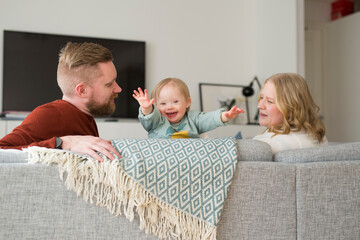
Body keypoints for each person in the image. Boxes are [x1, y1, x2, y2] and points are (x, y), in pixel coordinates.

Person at [0, 42, 122, 161]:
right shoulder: (49, 115)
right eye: (109, 84)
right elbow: (2, 151)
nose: (118, 89)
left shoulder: (85, 117)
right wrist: (63, 143)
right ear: (82, 90)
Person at [133, 77, 244, 138]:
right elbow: (149, 118)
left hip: (189, 159)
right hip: (161, 159)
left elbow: (208, 119)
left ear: (187, 102)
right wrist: (146, 108)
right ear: (156, 106)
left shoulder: (193, 118)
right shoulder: (157, 120)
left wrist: (223, 116)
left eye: (175, 101)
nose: (169, 107)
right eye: (163, 104)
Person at [253, 73, 328, 154]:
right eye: (261, 98)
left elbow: (241, 152)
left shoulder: (273, 143)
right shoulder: (319, 137)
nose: (259, 106)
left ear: (291, 107)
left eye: (269, 101)